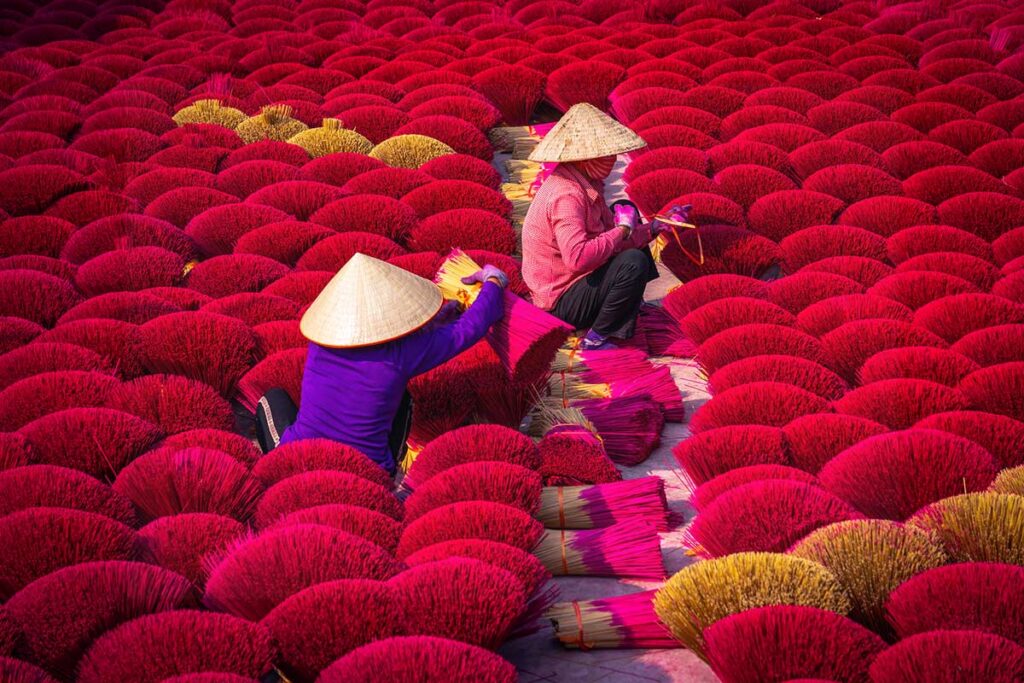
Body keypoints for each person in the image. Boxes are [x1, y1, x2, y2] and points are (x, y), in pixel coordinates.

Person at [256, 252, 507, 475]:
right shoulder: (400, 353)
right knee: (404, 398)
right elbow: (467, 329)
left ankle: (275, 467)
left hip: (300, 459)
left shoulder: (321, 340)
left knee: (272, 398)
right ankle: (392, 472)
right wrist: (493, 282)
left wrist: (440, 320)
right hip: (369, 470)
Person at [521, 102, 689, 351]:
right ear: (583, 158)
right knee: (633, 261)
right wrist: (622, 230)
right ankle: (598, 336)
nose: (612, 160)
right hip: (560, 303)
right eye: (605, 154)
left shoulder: (586, 182)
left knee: (625, 210)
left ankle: (627, 304)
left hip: (581, 280)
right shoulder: (567, 196)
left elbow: (609, 240)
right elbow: (578, 259)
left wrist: (656, 226)